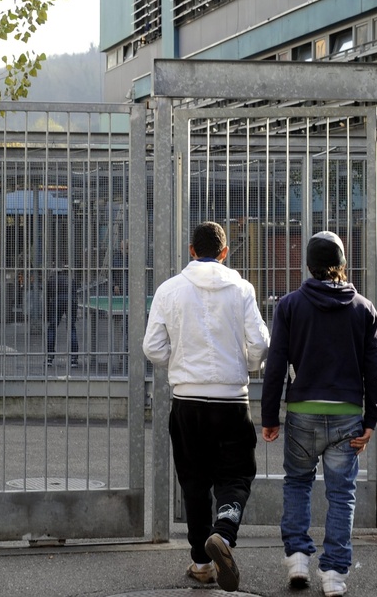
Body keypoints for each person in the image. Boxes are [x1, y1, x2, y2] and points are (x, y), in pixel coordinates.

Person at [141, 221, 269, 592]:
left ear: (191, 250)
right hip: (231, 399)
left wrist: (179, 363)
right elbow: (260, 343)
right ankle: (224, 533)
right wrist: (245, 365)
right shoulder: (241, 288)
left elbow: (152, 347)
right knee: (236, 474)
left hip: (186, 400)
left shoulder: (169, 289)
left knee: (193, 480)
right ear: (225, 252)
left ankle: (201, 562)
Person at [260, 231, 377, 597]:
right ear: (342, 264)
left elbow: (276, 364)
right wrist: (371, 418)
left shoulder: (290, 306)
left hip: (302, 412)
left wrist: (270, 416)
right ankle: (334, 575)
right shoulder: (364, 308)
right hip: (348, 415)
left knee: (298, 483)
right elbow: (374, 368)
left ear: (309, 265)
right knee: (342, 494)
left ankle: (298, 558)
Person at [46, 266, 80, 368]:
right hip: (70, 302)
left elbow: (47, 297)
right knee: (71, 328)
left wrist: (47, 313)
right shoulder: (71, 280)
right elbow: (75, 295)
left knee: (52, 328)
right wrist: (75, 311)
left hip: (56, 302)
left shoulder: (52, 280)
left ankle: (49, 356)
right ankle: (74, 358)